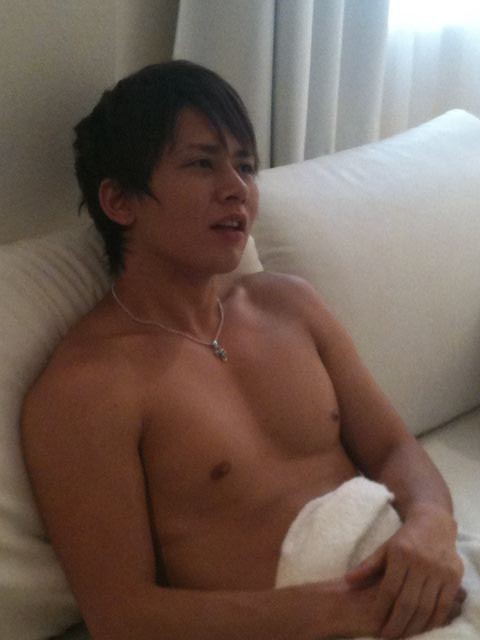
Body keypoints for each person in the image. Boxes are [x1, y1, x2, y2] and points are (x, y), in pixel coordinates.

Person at [21, 61, 465, 640]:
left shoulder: (290, 305)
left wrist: (431, 524)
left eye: (246, 165)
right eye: (201, 163)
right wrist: (350, 609)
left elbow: (393, 447)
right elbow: (122, 615)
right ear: (120, 201)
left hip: (413, 588)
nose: (237, 187)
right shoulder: (87, 387)